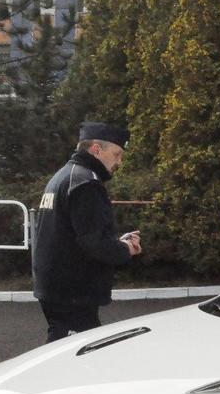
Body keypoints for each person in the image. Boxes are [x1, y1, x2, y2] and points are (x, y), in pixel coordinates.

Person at [32, 121, 142, 343]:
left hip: (57, 286)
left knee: (64, 349)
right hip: (73, 291)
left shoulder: (64, 176)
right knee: (76, 355)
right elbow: (94, 243)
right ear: (96, 149)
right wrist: (124, 249)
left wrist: (117, 242)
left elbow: (74, 235)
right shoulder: (86, 183)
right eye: (117, 153)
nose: (119, 161)